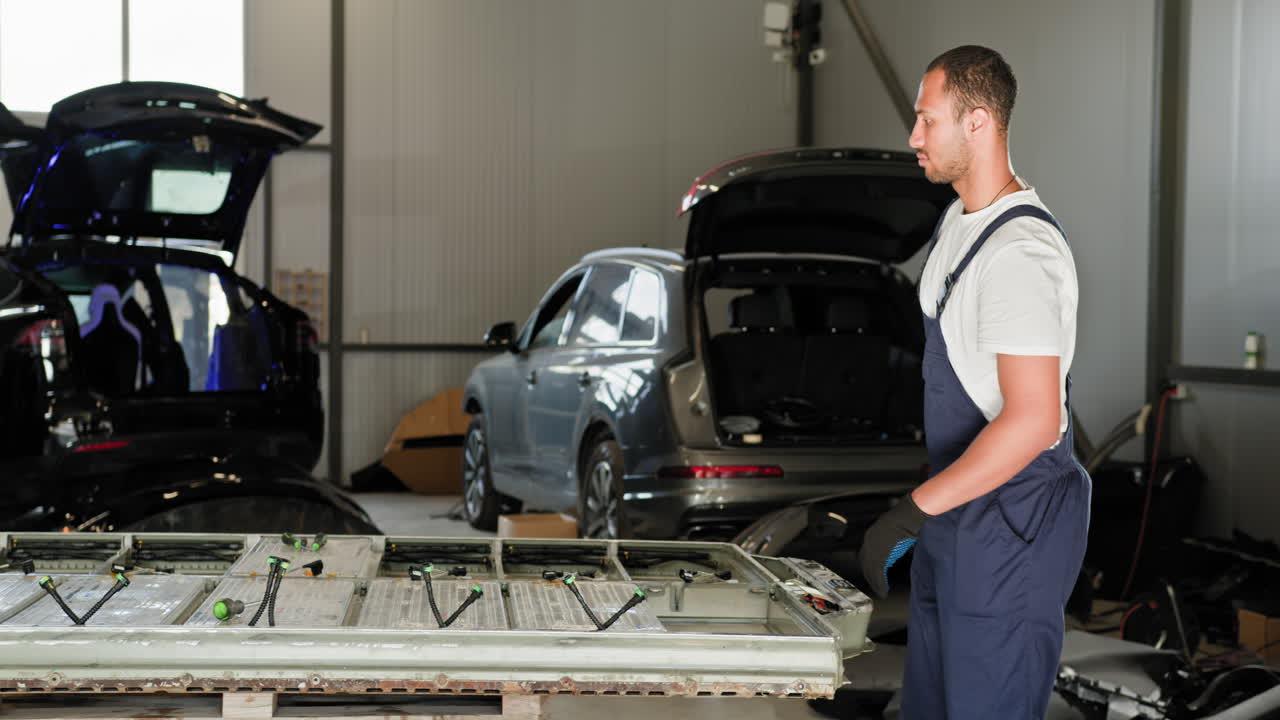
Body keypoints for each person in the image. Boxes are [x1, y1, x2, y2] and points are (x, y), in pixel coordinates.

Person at [857, 45, 1091, 718]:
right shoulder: (957, 224)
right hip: (961, 517)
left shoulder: (1020, 253)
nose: (914, 137)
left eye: (928, 120)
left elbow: (1033, 420)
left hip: (1012, 526)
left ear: (979, 123)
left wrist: (912, 508)